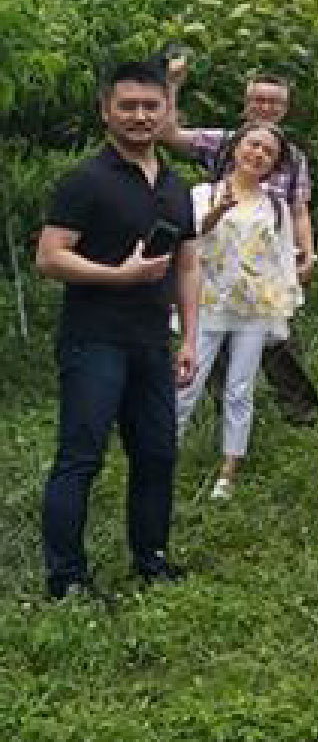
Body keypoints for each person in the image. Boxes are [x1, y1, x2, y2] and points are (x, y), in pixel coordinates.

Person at [38, 58, 199, 598]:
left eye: (150, 105)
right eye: (127, 105)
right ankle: (66, 578)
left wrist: (191, 337)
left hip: (153, 342)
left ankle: (150, 558)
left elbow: (188, 264)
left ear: (166, 110)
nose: (139, 115)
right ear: (105, 110)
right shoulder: (84, 180)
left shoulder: (177, 186)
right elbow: (50, 257)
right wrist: (117, 275)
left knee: (156, 454)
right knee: (80, 458)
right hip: (94, 340)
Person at [162, 62, 318, 427]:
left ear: (284, 109)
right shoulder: (223, 143)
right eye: (258, 100)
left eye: (274, 102)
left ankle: (301, 415)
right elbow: (169, 134)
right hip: (218, 273)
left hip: (266, 274)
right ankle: (224, 420)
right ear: (246, 104)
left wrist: (307, 253)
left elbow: (299, 211)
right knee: (215, 349)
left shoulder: (293, 158)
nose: (266, 107)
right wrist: (171, 85)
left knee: (281, 346)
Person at [175, 121, 302, 499]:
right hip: (207, 302)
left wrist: (284, 308)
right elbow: (188, 240)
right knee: (186, 382)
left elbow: (282, 259)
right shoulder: (203, 193)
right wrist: (217, 212)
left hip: (254, 309)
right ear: (235, 148)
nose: (258, 155)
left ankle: (229, 471)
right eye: (253, 145)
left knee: (240, 389)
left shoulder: (276, 206)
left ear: (274, 166)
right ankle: (162, 455)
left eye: (269, 153)